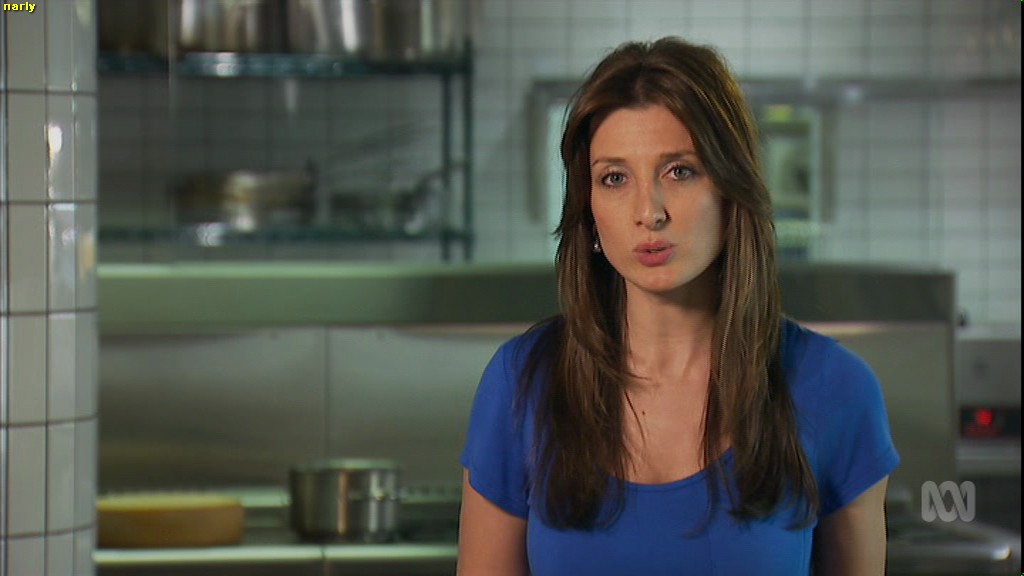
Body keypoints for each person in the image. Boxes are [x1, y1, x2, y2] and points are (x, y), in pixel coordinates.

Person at [458, 37, 899, 576]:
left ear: (731, 190)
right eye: (615, 178)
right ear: (588, 210)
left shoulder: (836, 389)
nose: (649, 212)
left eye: (679, 171)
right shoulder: (521, 383)